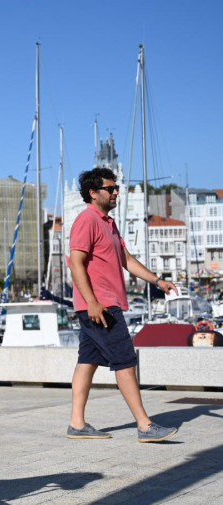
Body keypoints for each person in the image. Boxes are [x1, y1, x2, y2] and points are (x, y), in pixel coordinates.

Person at [67, 167, 179, 443]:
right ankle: (144, 425)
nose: (116, 192)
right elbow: (76, 264)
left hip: (101, 304)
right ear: (93, 193)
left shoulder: (109, 223)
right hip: (101, 306)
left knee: (88, 361)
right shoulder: (87, 220)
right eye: (111, 188)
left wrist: (157, 280)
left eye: (117, 188)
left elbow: (125, 259)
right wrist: (93, 302)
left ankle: (77, 424)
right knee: (125, 361)